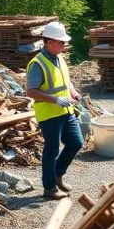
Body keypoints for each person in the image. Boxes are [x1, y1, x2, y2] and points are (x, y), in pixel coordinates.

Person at [25, 21, 84, 199]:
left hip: (65, 111)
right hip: (49, 114)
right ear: (49, 42)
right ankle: (49, 188)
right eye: (61, 42)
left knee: (76, 142)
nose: (64, 45)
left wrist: (73, 92)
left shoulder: (59, 58)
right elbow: (31, 91)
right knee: (51, 150)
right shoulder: (37, 63)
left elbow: (66, 81)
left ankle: (57, 174)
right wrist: (55, 99)